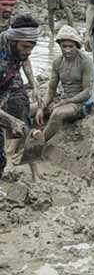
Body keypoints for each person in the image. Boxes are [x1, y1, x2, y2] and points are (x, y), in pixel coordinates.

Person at [35, 25, 94, 146]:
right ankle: (16, 142)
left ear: (77, 46)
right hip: (64, 99)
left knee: (57, 113)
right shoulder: (58, 62)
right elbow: (51, 89)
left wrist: (65, 102)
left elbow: (87, 92)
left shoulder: (86, 62)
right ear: (60, 46)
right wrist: (42, 107)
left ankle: (38, 145)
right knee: (30, 108)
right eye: (64, 46)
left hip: (80, 103)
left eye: (71, 46)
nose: (67, 50)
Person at [0, 15, 43, 181]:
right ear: (13, 41)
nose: (29, 51)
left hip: (10, 79)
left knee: (25, 121)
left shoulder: (21, 44)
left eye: (31, 47)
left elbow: (25, 59)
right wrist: (11, 120)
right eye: (25, 47)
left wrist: (35, 86)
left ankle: (34, 172)